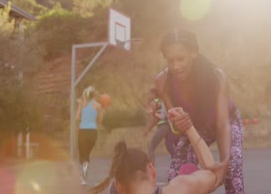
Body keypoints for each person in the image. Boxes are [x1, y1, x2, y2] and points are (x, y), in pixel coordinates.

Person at [155, 29, 244, 193]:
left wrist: (224, 162)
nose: (176, 66)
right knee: (176, 174)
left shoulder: (217, 76)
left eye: (180, 59)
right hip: (195, 126)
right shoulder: (162, 81)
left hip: (226, 121)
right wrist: (180, 123)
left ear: (193, 52)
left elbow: (222, 123)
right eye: (170, 60)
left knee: (232, 170)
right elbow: (175, 126)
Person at [90, 107, 222, 194]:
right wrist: (188, 126)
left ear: (119, 187)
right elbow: (212, 174)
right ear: (152, 170)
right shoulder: (181, 188)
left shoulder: (115, 188)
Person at [76, 86, 104, 185]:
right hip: (93, 131)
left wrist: (84, 115)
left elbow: (77, 117)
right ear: (94, 95)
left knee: (82, 154)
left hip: (83, 130)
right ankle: (84, 170)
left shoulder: (82, 104)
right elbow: (100, 121)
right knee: (87, 153)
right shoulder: (98, 106)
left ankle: (84, 172)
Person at [143, 88, 175, 164]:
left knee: (151, 147)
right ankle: (178, 163)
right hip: (170, 126)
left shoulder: (154, 102)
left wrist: (148, 129)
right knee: (169, 145)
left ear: (154, 94)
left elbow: (156, 119)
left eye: (149, 94)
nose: (148, 95)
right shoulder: (161, 101)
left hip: (163, 126)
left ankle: (152, 169)